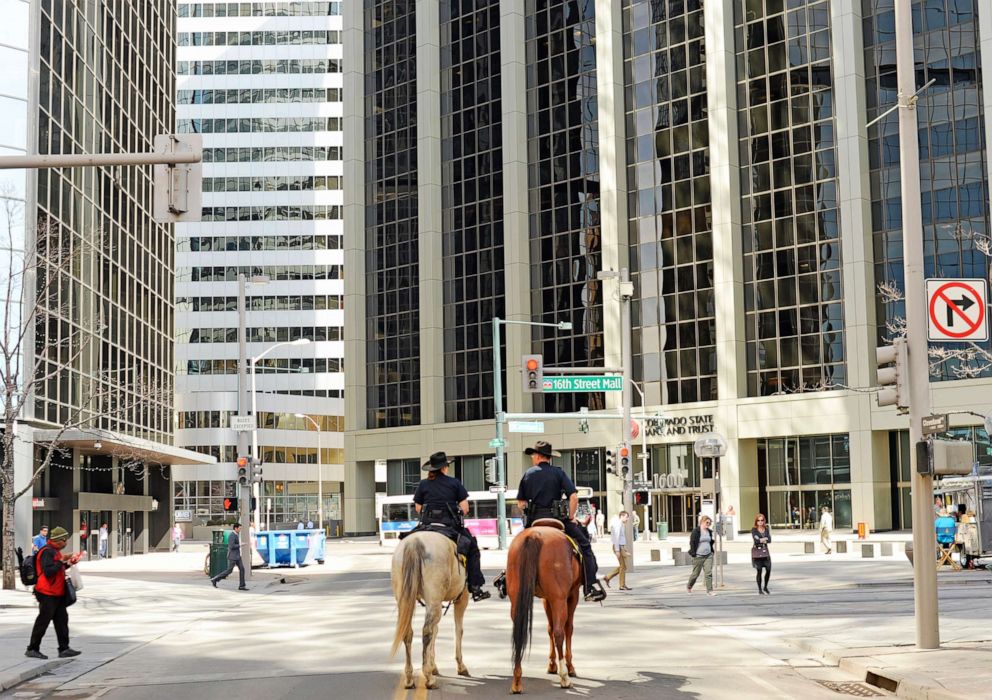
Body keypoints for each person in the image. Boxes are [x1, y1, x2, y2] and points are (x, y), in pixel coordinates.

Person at [511, 441, 606, 602]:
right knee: (585, 547)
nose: (533, 457)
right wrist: (570, 516)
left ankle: (508, 580)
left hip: (534, 520)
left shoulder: (528, 474)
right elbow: (574, 497)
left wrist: (528, 511)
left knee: (517, 549)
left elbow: (521, 503)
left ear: (538, 456)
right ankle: (590, 586)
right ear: (548, 457)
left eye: (533, 455)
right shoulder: (558, 473)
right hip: (557, 519)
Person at [408, 451, 490, 602]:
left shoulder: (423, 484)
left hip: (427, 526)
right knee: (472, 549)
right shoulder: (454, 483)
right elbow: (465, 508)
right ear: (445, 468)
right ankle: (475, 587)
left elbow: (418, 508)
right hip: (449, 527)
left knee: (405, 542)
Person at [25, 526, 82, 659]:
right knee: (43, 620)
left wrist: (68, 563)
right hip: (46, 593)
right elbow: (49, 571)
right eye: (64, 540)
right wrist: (61, 561)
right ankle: (32, 648)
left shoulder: (54, 551)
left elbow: (57, 568)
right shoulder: (47, 551)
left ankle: (64, 648)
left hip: (56, 592)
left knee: (61, 620)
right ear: (58, 540)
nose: (66, 543)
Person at [210, 523, 247, 590]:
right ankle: (215, 579)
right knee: (229, 571)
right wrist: (240, 545)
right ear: (236, 528)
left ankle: (242, 585)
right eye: (239, 528)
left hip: (237, 556)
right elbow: (231, 546)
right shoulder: (232, 535)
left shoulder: (236, 534)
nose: (240, 530)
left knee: (242, 569)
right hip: (233, 556)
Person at [687, 513, 716, 596]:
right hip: (698, 556)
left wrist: (712, 551)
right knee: (695, 574)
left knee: (708, 573)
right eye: (707, 522)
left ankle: (709, 590)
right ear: (702, 522)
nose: (709, 524)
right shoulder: (696, 531)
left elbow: (710, 542)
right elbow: (692, 543)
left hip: (708, 555)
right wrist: (693, 554)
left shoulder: (709, 532)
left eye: (709, 523)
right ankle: (689, 586)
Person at [604, 511, 632, 591]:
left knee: (623, 566)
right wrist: (617, 550)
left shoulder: (621, 524)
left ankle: (609, 578)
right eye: (626, 517)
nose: (627, 519)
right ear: (622, 516)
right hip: (618, 547)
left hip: (621, 547)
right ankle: (620, 584)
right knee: (623, 566)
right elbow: (616, 538)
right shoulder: (617, 524)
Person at [751, 513, 772, 595]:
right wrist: (764, 539)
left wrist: (761, 539)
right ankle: (760, 589)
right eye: (758, 520)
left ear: (764, 521)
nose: (760, 522)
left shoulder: (766, 529)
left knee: (768, 569)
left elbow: (769, 540)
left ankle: (765, 586)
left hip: (765, 551)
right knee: (759, 570)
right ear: (756, 521)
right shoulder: (754, 530)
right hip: (757, 552)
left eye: (762, 520)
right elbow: (756, 540)